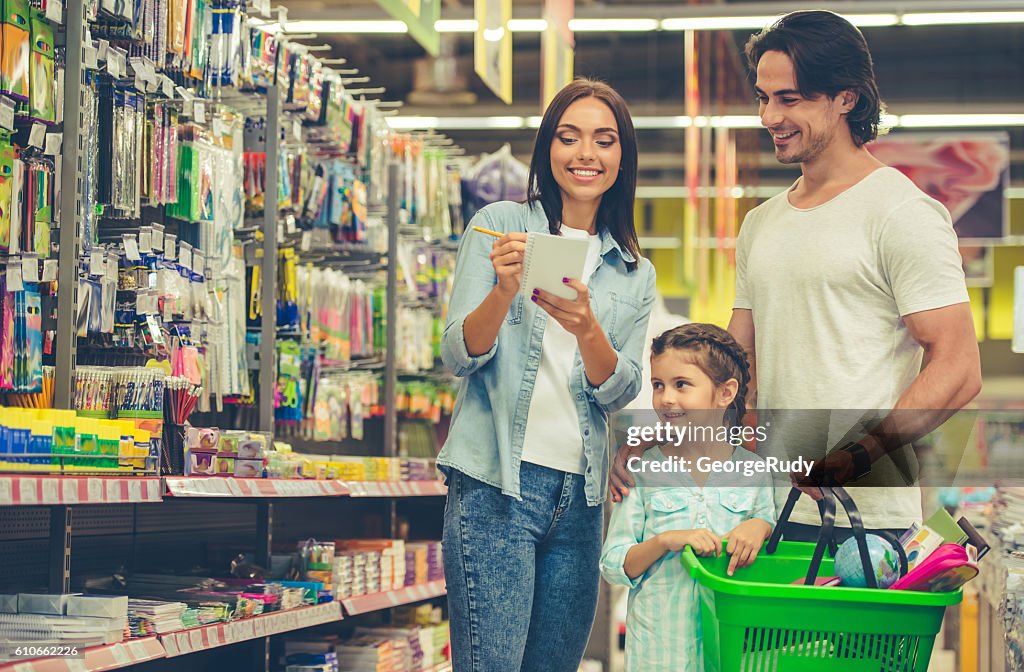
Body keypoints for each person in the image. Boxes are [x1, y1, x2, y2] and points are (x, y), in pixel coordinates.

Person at [611, 10, 981, 540]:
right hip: (763, 513)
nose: (769, 116)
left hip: (865, 523)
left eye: (790, 99)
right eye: (763, 98)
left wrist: (858, 455)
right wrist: (666, 434)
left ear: (846, 98)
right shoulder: (762, 224)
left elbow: (960, 367)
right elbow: (731, 367)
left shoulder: (901, 212)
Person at [439, 78, 657, 672]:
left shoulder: (634, 270)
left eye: (604, 141)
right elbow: (458, 354)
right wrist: (505, 290)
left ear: (622, 156)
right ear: (548, 148)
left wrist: (588, 328)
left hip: (582, 498)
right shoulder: (500, 224)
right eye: (569, 137)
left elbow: (622, 388)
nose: (586, 154)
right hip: (495, 486)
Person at [600, 324, 775, 672]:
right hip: (659, 654)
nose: (666, 398)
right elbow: (613, 564)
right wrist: (666, 541)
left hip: (730, 652)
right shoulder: (641, 471)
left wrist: (760, 526)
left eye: (682, 385)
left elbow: (765, 526)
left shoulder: (754, 472)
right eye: (658, 385)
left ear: (725, 393)